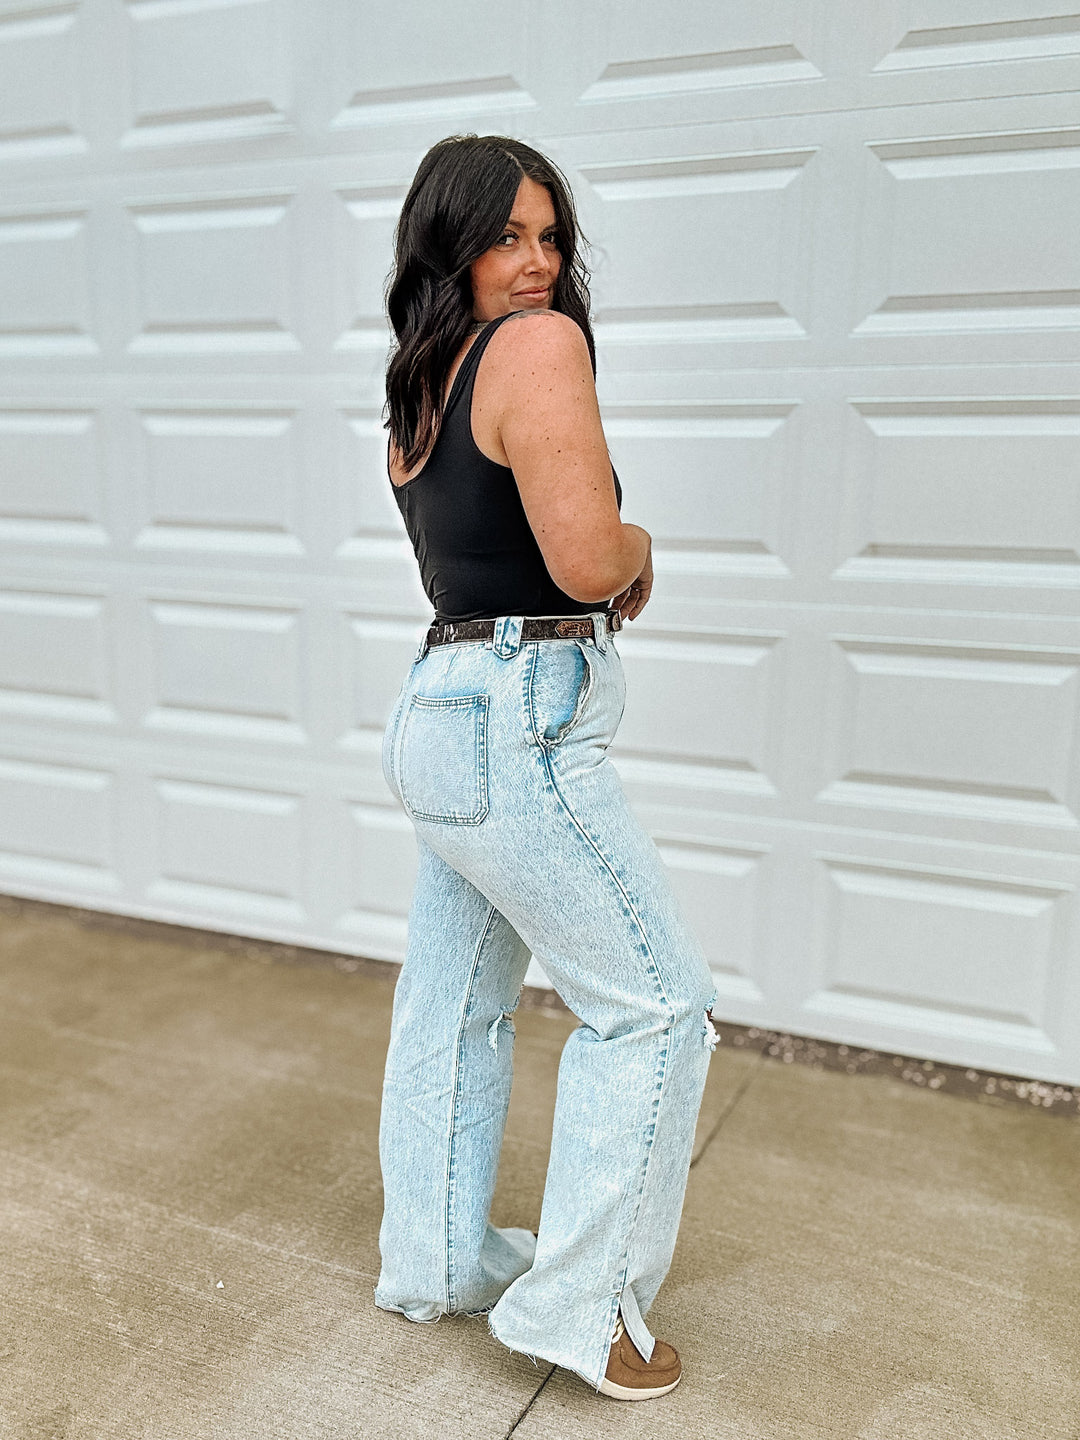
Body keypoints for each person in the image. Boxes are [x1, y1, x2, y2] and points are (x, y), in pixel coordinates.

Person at [373, 132, 718, 1401]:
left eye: (550, 236)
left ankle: (440, 1260)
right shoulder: (540, 349)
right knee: (658, 1004)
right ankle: (587, 1312)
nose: (535, 264)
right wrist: (643, 542)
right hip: (519, 709)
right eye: (504, 236)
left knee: (453, 1005)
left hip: (439, 704)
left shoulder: (422, 377)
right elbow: (582, 561)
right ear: (445, 245)